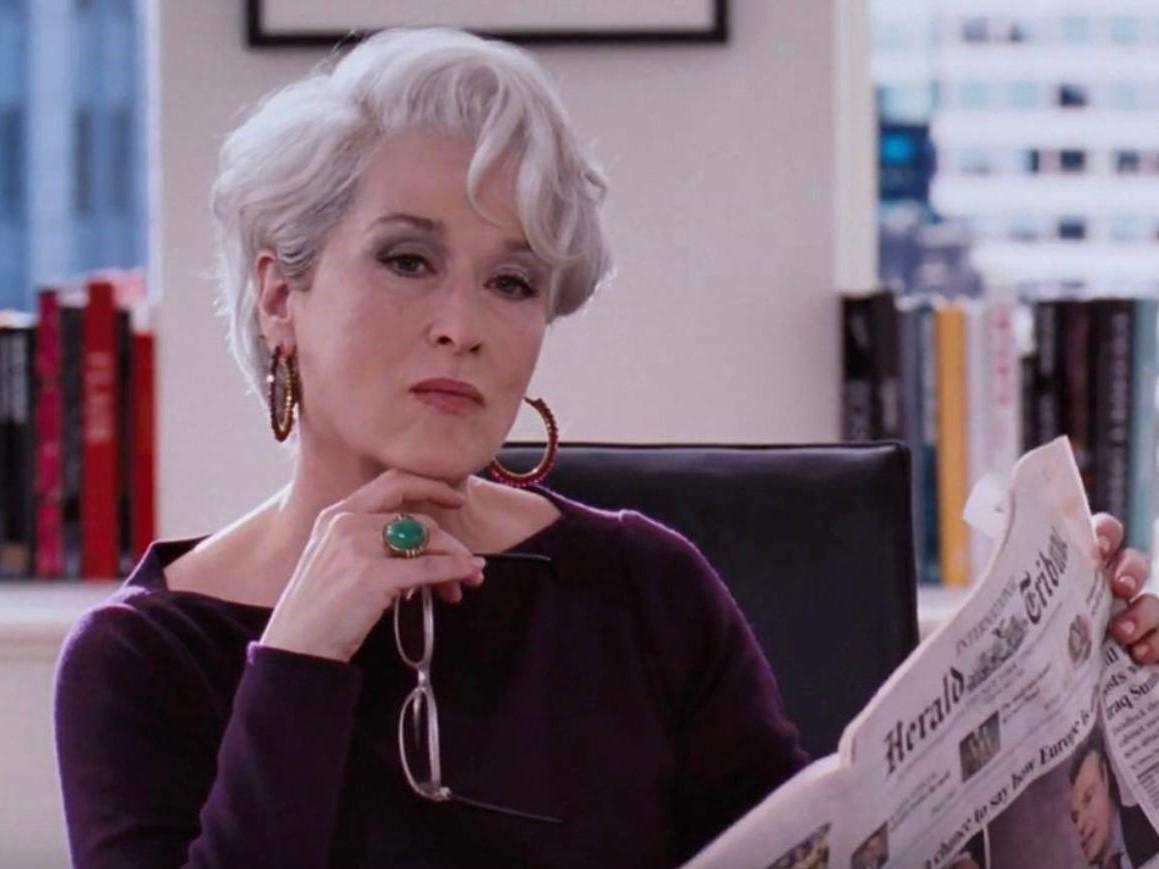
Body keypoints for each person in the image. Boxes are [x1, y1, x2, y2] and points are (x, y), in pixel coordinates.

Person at [51, 25, 1159, 869]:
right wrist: (299, 658)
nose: (462, 323)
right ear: (278, 294)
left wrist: (1085, 689)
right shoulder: (140, 661)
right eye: (407, 259)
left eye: (511, 281)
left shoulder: (644, 590)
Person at [1069, 729, 1159, 869]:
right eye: (1075, 818)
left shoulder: (1150, 827)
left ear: (1106, 778)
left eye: (1088, 799)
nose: (1080, 826)